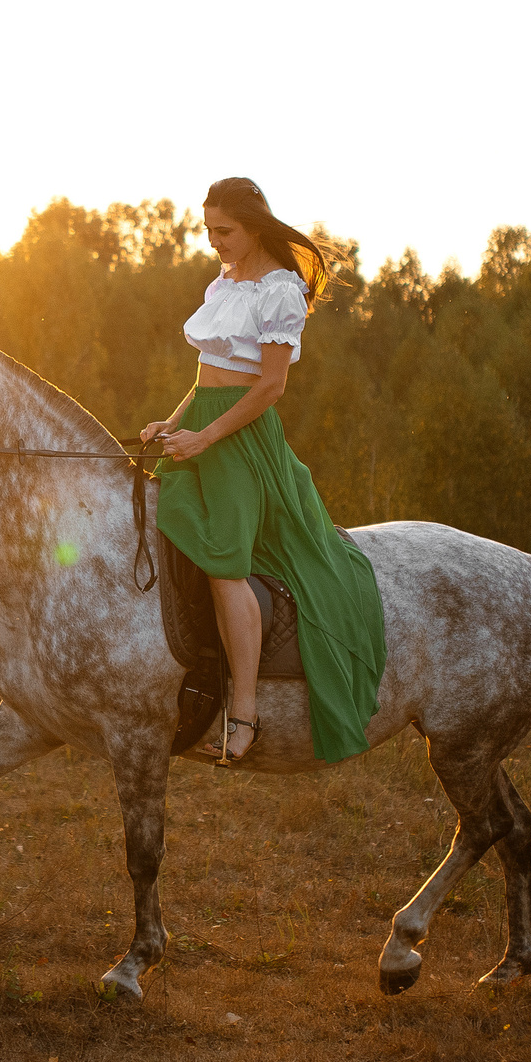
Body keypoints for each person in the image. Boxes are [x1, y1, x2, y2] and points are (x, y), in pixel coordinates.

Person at [139, 178, 386, 765]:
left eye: (224, 231)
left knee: (224, 563)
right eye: (208, 231)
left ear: (253, 226)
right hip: (204, 423)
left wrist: (204, 437)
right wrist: (171, 423)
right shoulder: (223, 282)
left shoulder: (281, 292)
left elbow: (269, 387)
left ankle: (244, 714)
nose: (215, 242)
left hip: (243, 439)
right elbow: (208, 375)